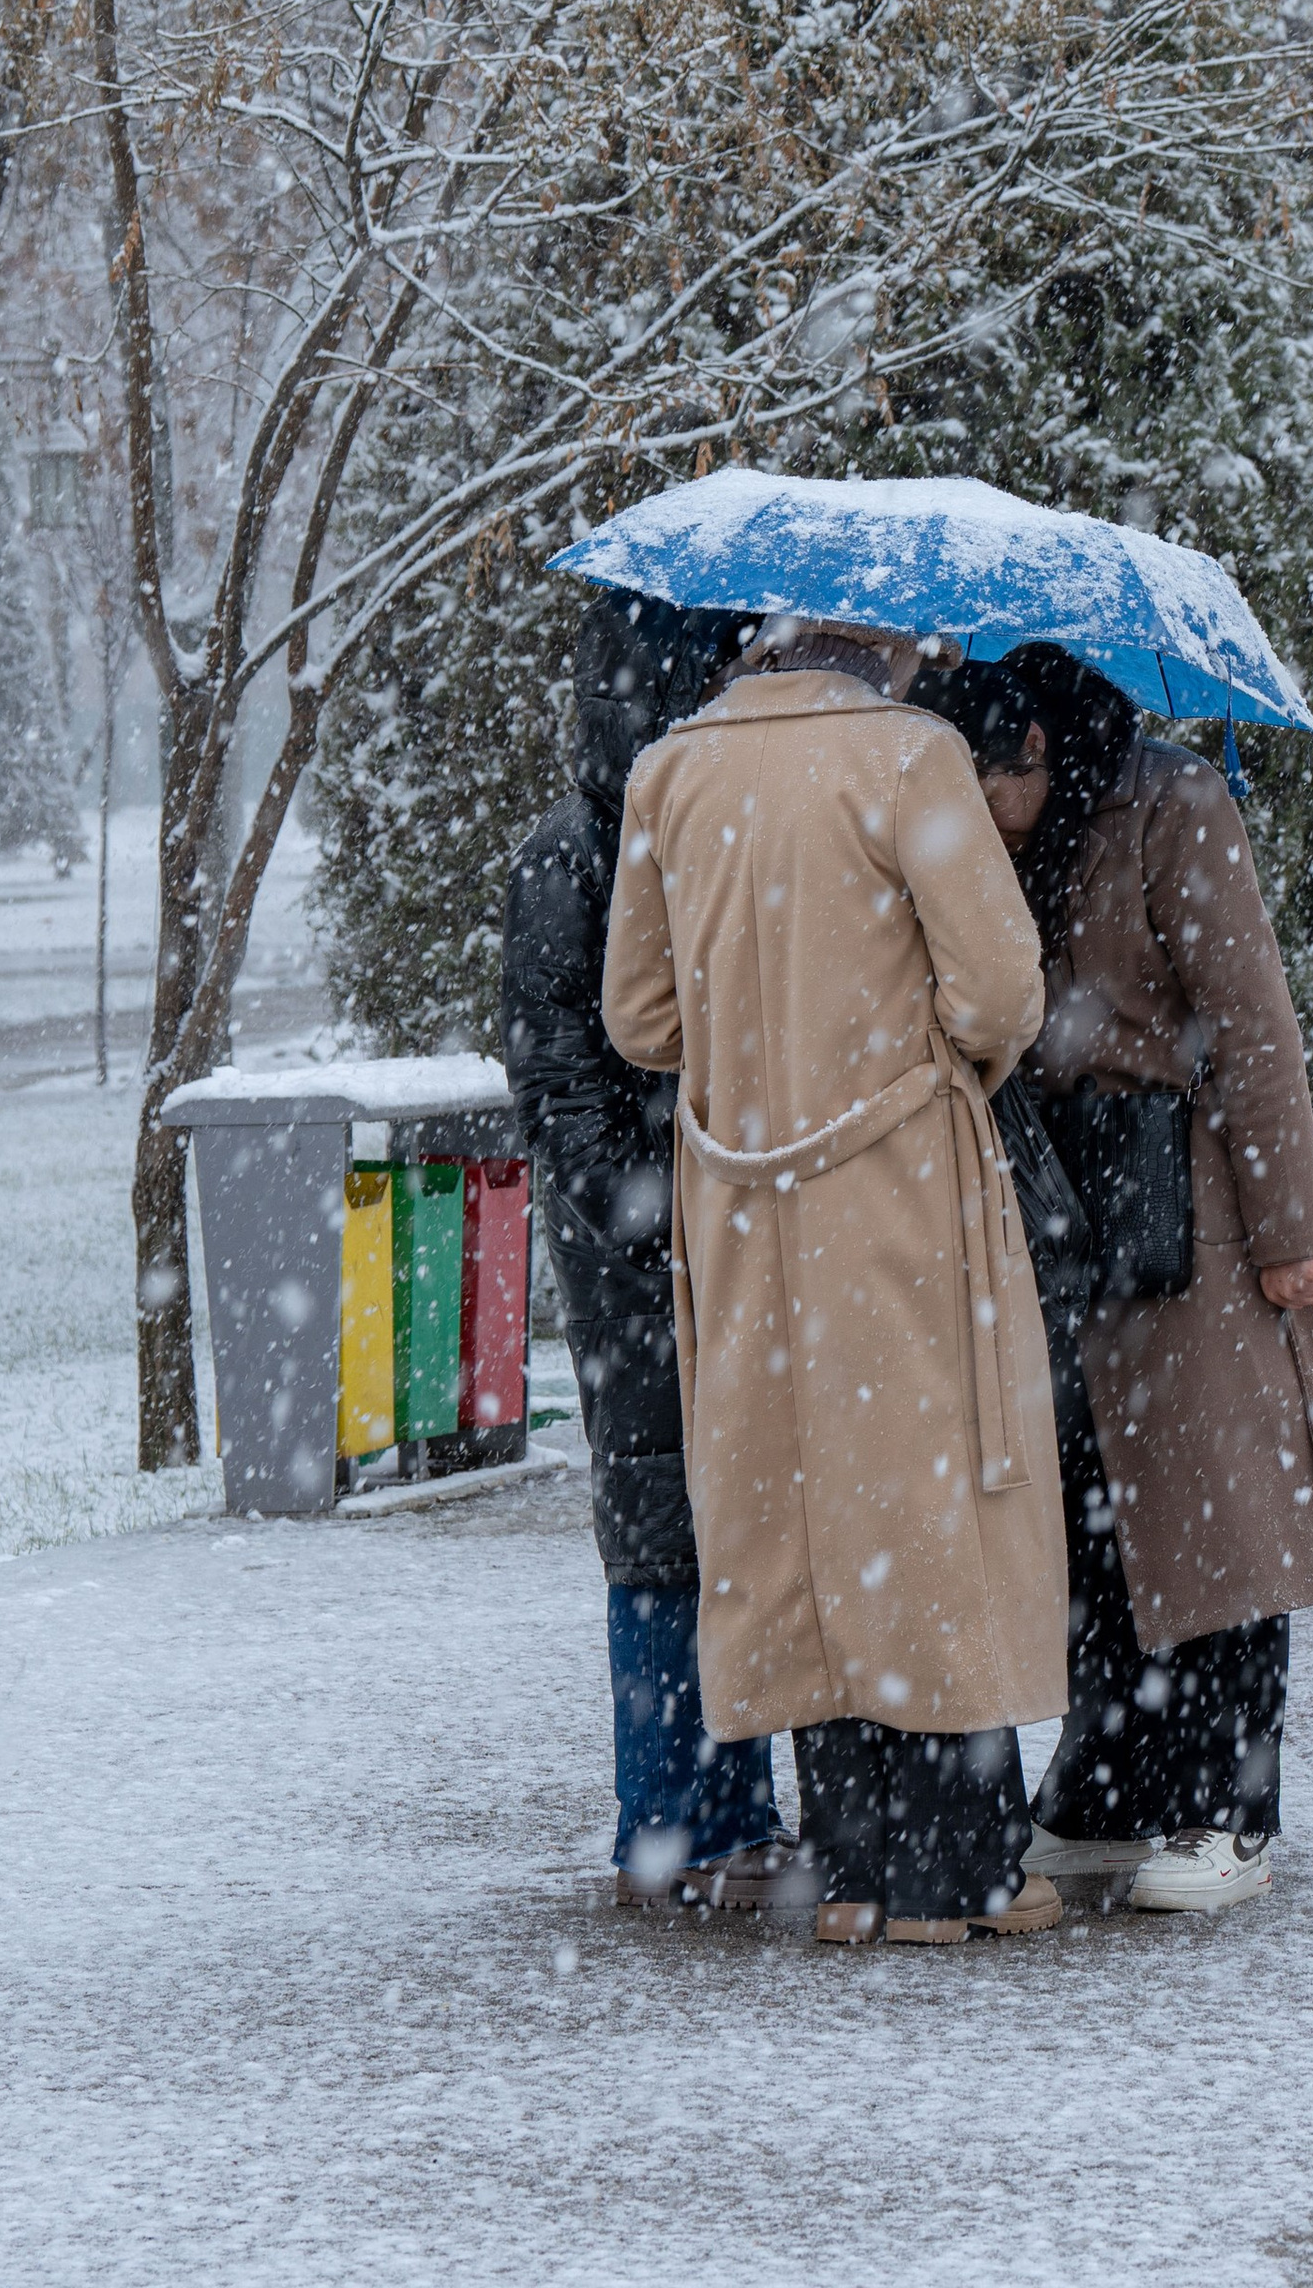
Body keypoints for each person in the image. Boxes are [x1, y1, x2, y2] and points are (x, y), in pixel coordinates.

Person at [601, 611, 1069, 1948]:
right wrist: (917, 1038)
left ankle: (853, 1864)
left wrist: (757, 1040)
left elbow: (640, 1022)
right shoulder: (912, 758)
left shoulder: (670, 770)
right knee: (934, 1501)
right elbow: (1000, 990)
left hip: (738, 1196)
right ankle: (960, 1866)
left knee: (792, 1503)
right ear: (871, 637)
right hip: (901, 1177)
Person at [927, 641, 1313, 1917]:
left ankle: (1231, 1806)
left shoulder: (1178, 807)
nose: (975, 814)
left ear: (1041, 751)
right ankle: (1109, 1787)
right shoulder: (1006, 828)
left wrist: (1288, 1237)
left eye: (987, 784)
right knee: (1093, 1509)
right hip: (1063, 1200)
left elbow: (1255, 1026)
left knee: (1220, 1507)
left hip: (1192, 1193)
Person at [501, 593, 792, 1913]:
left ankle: (719, 1810)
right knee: (668, 1522)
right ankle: (676, 1817)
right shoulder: (585, 853)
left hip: (705, 1226)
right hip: (649, 1247)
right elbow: (561, 1074)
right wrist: (645, 1219)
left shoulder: (668, 831)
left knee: (726, 1516)